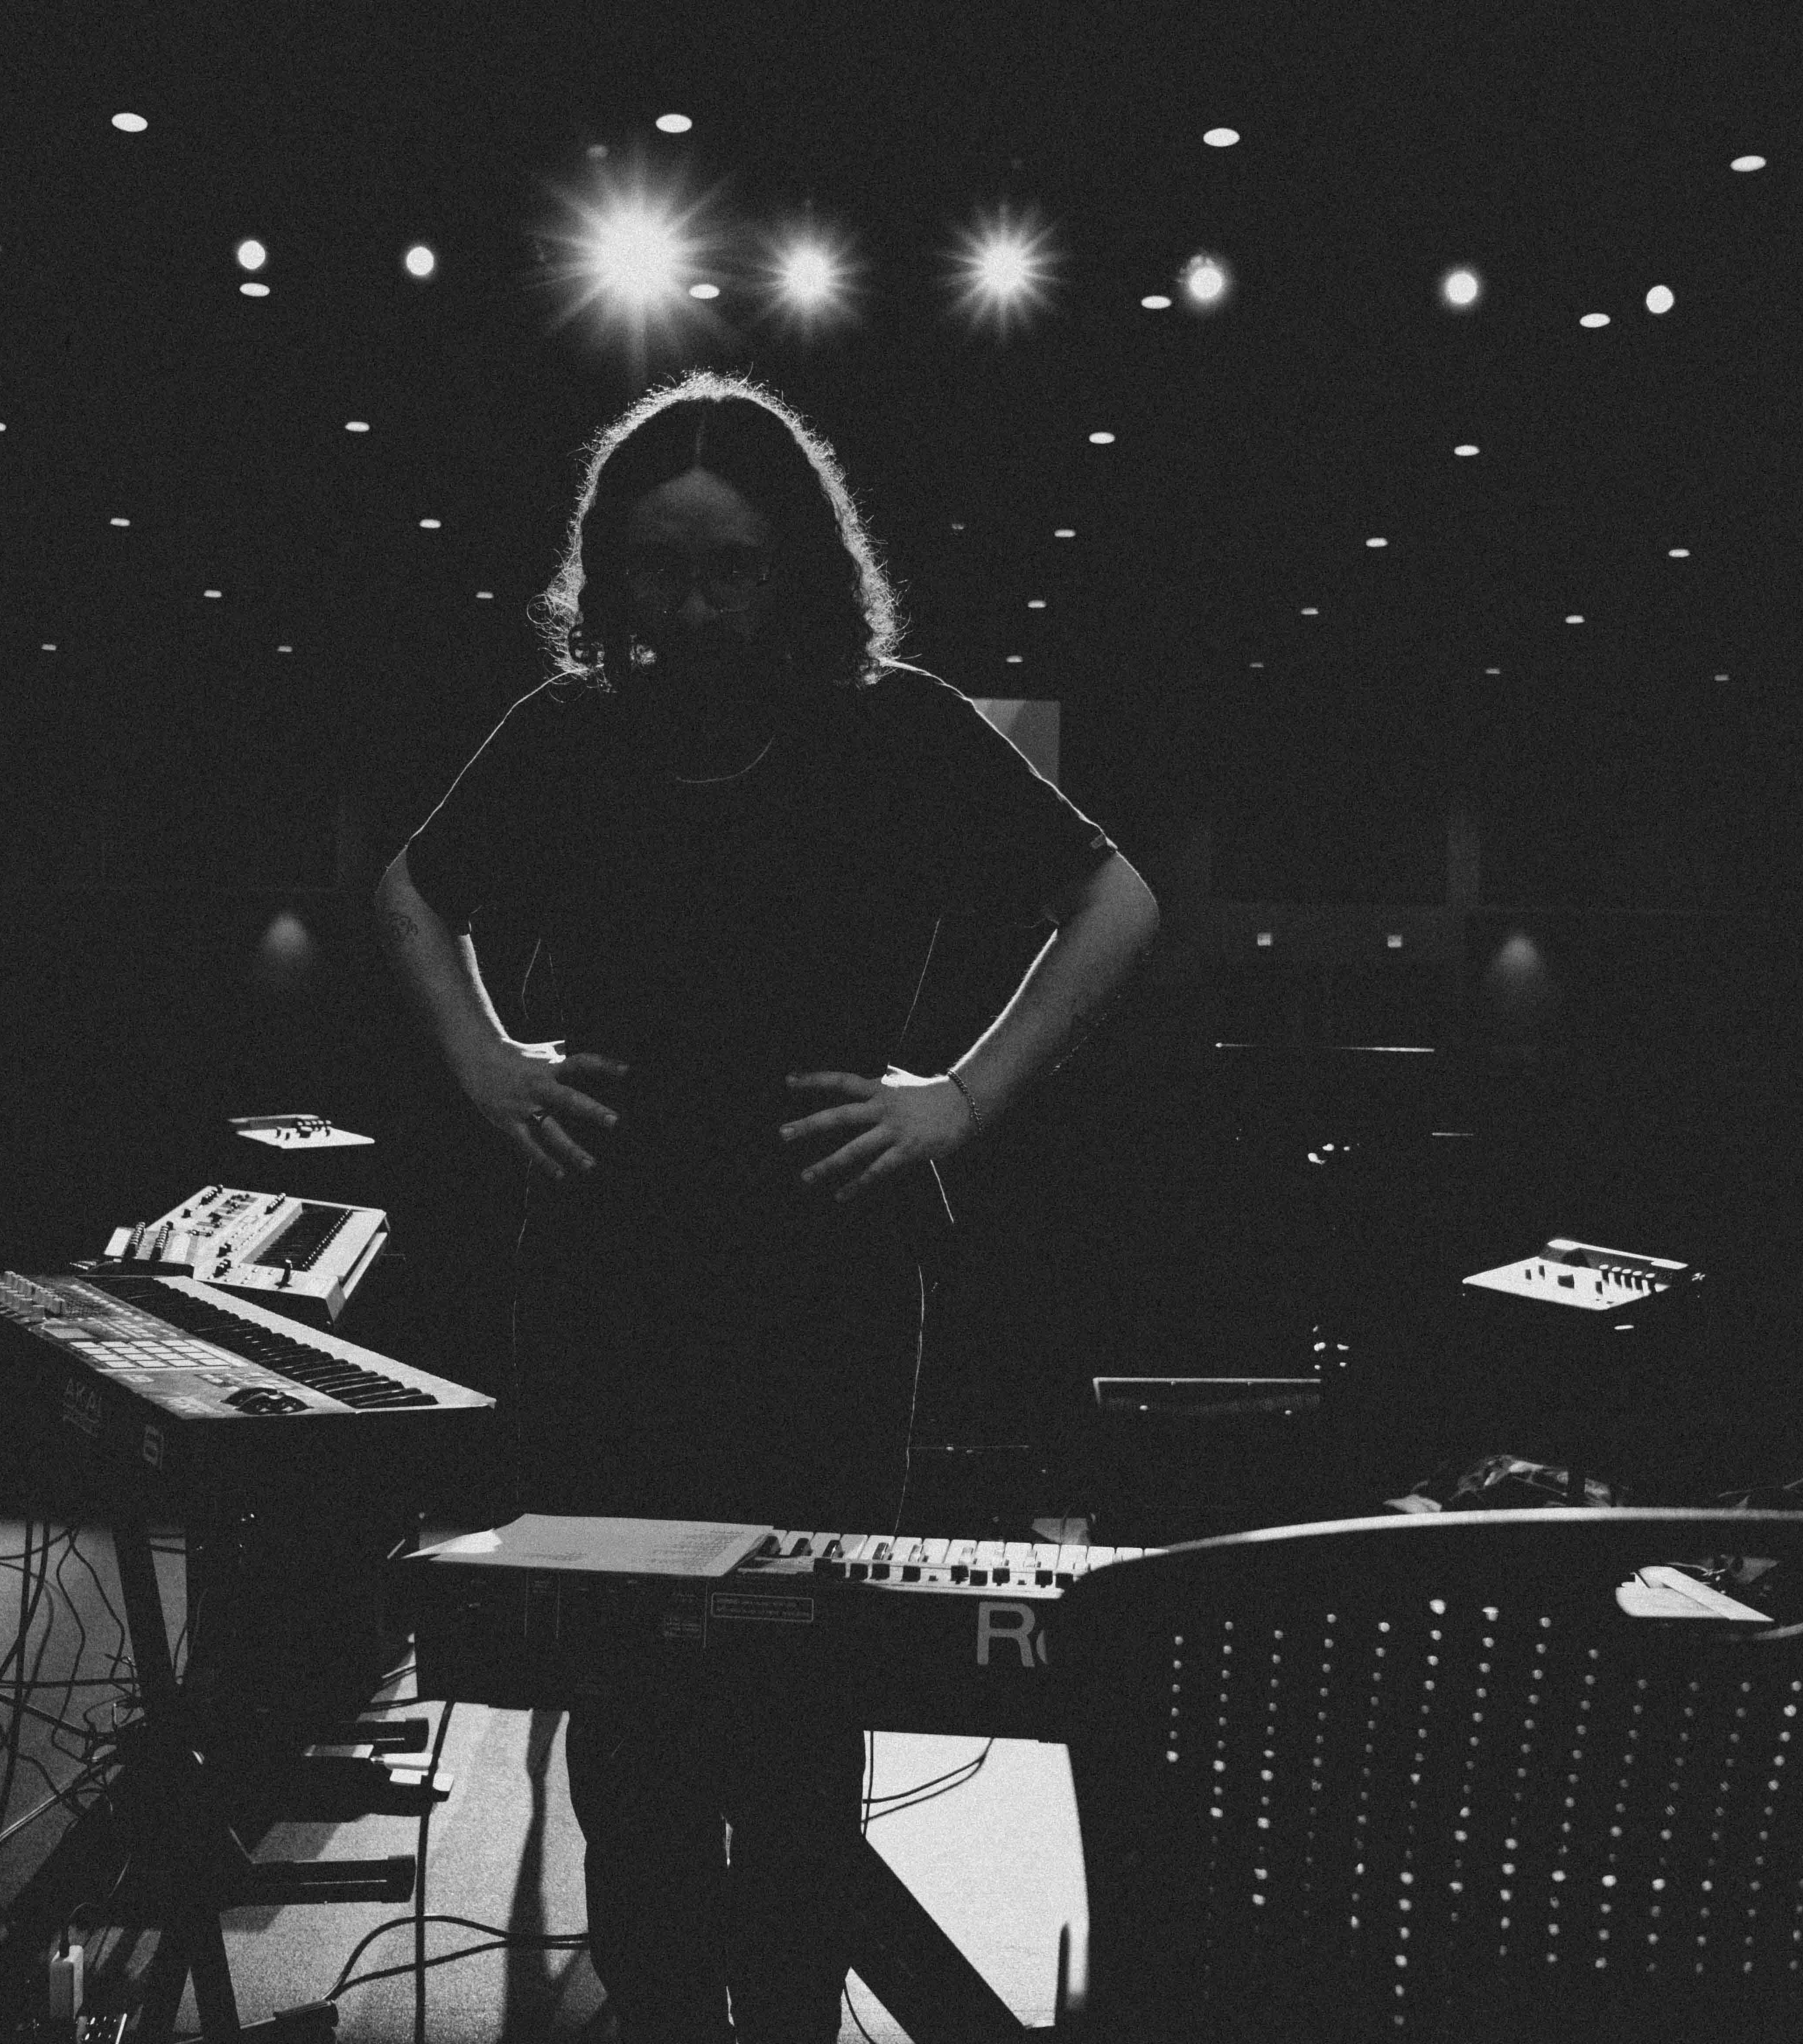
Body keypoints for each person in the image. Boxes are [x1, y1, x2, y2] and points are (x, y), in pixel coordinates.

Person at [375, 370, 1162, 2043]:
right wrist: (488, 1064)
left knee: (802, 1700)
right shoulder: (570, 733)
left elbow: (1118, 899)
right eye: (658, 565)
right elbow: (411, 891)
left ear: (798, 565)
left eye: (730, 565)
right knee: (626, 1702)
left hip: (827, 1271)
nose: (693, 603)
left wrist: (961, 1096)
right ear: (611, 566)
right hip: (603, 1261)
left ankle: (792, 2011)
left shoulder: (895, 728)